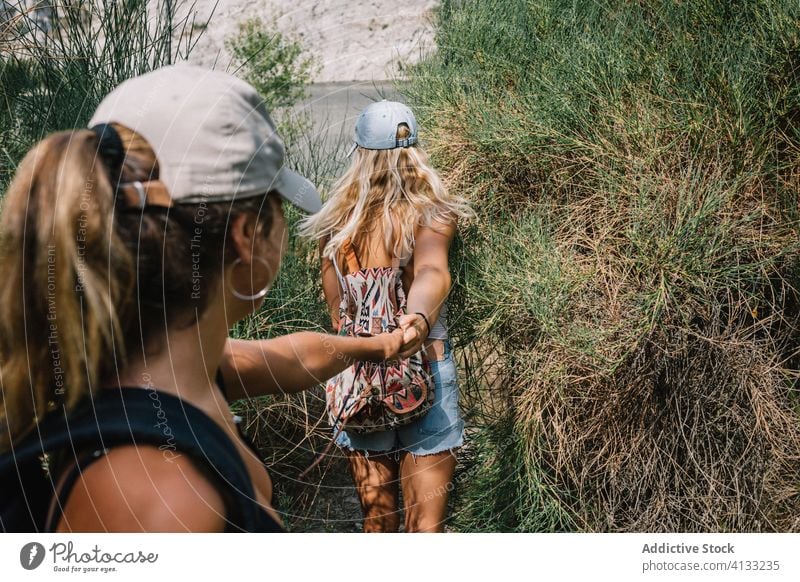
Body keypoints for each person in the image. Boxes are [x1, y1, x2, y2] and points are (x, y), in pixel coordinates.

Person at [0, 65, 404, 532]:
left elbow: (289, 359)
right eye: (280, 210)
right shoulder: (158, 499)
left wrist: (381, 345)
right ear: (248, 236)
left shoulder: (168, 370)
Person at [299, 100, 473, 532]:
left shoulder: (335, 225)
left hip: (358, 376)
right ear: (414, 152)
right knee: (424, 527)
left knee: (377, 523)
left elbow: (339, 311)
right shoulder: (433, 212)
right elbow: (432, 270)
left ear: (359, 154)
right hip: (427, 369)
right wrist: (414, 318)